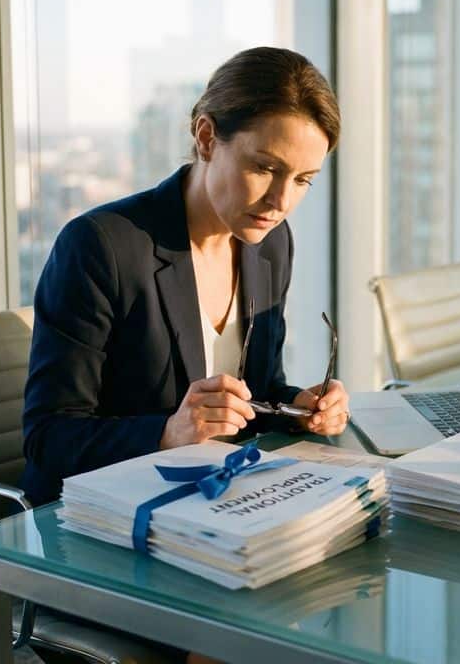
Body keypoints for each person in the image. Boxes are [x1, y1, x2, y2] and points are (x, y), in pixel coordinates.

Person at [20, 46, 349, 511]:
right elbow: (48, 438)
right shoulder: (100, 246)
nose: (281, 201)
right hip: (106, 513)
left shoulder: (271, 243)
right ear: (207, 138)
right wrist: (167, 433)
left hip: (217, 502)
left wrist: (300, 407)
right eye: (265, 168)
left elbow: (259, 389)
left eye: (302, 180)